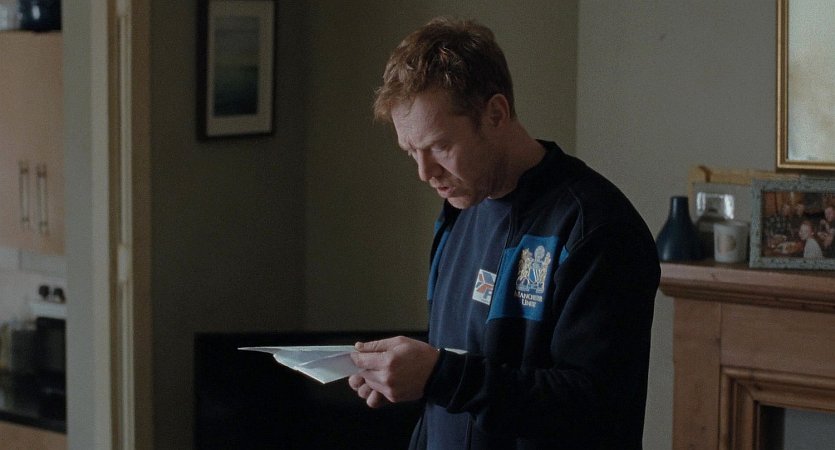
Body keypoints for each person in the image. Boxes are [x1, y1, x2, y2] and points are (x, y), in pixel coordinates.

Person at [349, 17, 660, 449]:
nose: (424, 172)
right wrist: (413, 379)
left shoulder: (596, 227)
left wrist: (440, 376)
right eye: (411, 152)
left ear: (496, 114)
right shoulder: (458, 212)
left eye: (440, 147)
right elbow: (458, 385)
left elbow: (595, 406)